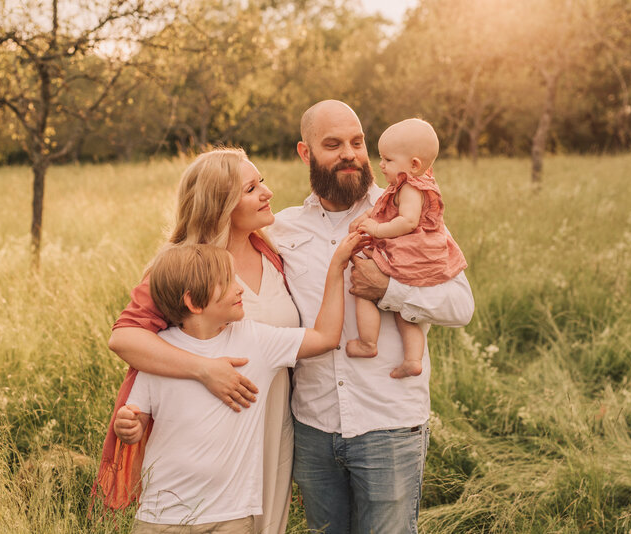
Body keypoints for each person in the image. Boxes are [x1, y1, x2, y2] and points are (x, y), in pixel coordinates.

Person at [267, 100, 474, 533]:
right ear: (305, 153)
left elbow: (461, 305)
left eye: (357, 142)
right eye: (333, 144)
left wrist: (389, 291)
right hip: (313, 426)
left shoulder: (408, 213)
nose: (350, 154)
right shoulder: (282, 230)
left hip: (389, 427)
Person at [93, 148, 303, 534]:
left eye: (262, 181)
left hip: (272, 424)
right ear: (219, 206)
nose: (267, 192)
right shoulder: (185, 267)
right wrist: (205, 370)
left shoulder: (274, 253)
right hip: (207, 440)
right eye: (251, 188)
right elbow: (124, 338)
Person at [112, 237, 359, 532]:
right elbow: (137, 418)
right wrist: (128, 426)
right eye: (228, 282)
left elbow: (325, 337)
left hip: (231, 515)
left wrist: (336, 267)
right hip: (161, 516)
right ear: (193, 302)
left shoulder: (256, 340)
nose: (240, 288)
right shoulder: (159, 353)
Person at [346, 118, 467, 379]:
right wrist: (368, 215)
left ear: (414, 165)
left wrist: (376, 229)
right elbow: (385, 208)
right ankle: (412, 359)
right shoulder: (412, 184)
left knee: (364, 289)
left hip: (408, 256)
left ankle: (368, 343)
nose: (381, 165)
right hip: (422, 259)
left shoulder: (411, 187)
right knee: (407, 311)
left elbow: (407, 221)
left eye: (388, 160)